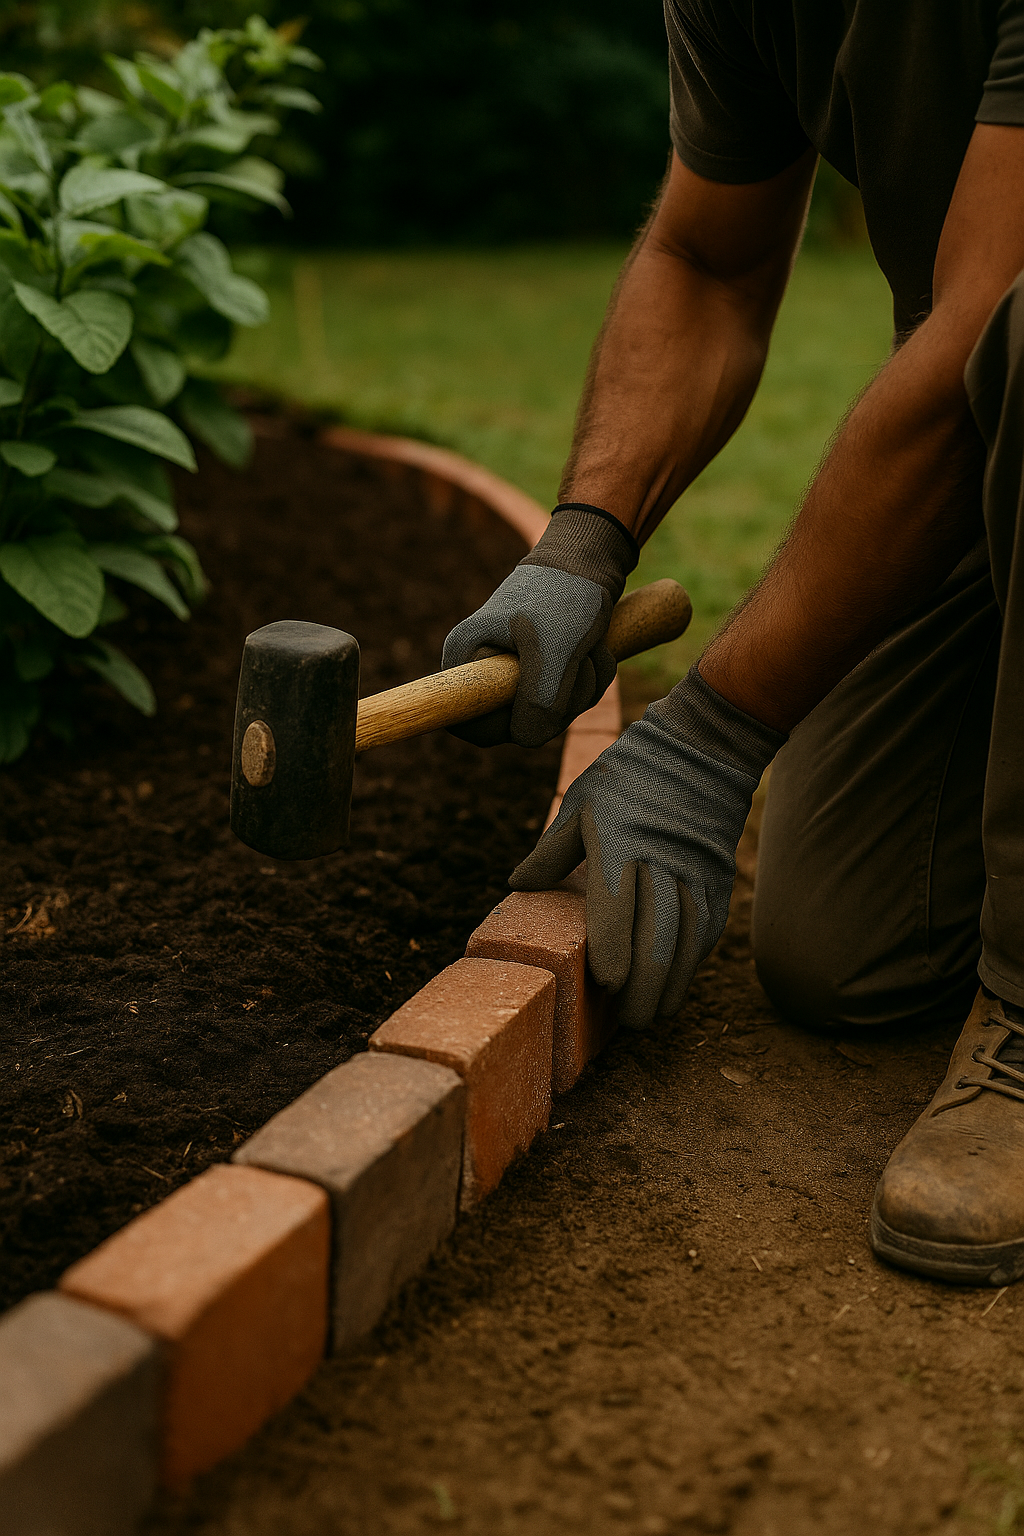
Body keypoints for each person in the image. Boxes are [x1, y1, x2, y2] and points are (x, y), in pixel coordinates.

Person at [441, 1, 1024, 1289]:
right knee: (847, 959)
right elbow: (707, 261)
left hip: (1005, 371)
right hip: (1000, 446)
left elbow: (990, 319)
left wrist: (710, 735)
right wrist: (581, 544)